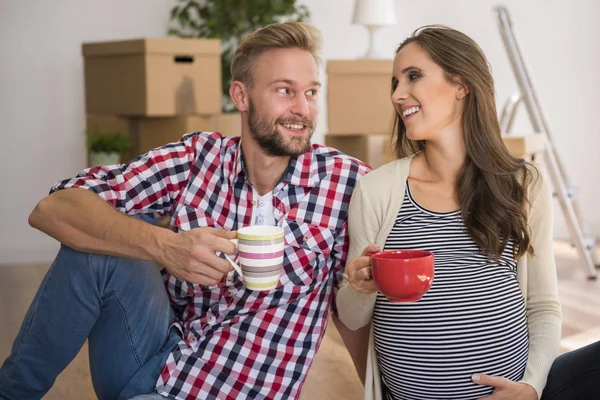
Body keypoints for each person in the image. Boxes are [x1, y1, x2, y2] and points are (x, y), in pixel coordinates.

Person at [0, 22, 371, 400]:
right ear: (241, 96)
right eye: (284, 91)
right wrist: (165, 246)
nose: (303, 109)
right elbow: (52, 208)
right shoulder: (198, 158)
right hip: (148, 360)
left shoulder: (347, 183)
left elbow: (353, 315)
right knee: (95, 244)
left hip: (230, 390)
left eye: (310, 92)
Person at [334, 25, 600, 400]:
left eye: (413, 76)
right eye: (394, 82)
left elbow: (543, 304)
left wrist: (530, 387)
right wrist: (360, 286)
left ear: (461, 84)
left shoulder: (523, 184)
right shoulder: (377, 189)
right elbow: (351, 316)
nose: (397, 94)